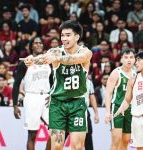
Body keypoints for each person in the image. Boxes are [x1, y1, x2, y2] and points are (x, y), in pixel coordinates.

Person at [24, 20, 92, 150]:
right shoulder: (55, 52)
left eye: (68, 35)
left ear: (77, 37)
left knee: (77, 146)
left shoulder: (85, 52)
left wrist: (58, 59)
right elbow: (42, 58)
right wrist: (31, 60)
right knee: (56, 146)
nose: (64, 39)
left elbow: (78, 59)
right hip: (57, 104)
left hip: (77, 104)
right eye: (62, 35)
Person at [13, 37, 51, 150]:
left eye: (40, 43)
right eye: (36, 43)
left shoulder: (48, 61)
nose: (39, 45)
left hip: (47, 97)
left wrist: (53, 94)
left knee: (55, 132)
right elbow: (16, 84)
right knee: (32, 134)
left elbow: (55, 81)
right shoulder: (26, 62)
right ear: (31, 46)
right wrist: (15, 105)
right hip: (31, 97)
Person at [105, 48, 136, 150]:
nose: (129, 60)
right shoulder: (116, 73)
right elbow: (108, 93)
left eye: (131, 57)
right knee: (116, 140)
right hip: (117, 109)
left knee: (126, 140)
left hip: (131, 110)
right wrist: (107, 112)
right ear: (121, 59)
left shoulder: (137, 74)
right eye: (126, 57)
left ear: (135, 59)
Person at [114, 51, 143, 150]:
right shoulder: (132, 80)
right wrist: (120, 109)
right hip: (136, 118)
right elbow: (127, 100)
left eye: (139, 60)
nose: (136, 63)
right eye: (136, 60)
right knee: (140, 147)